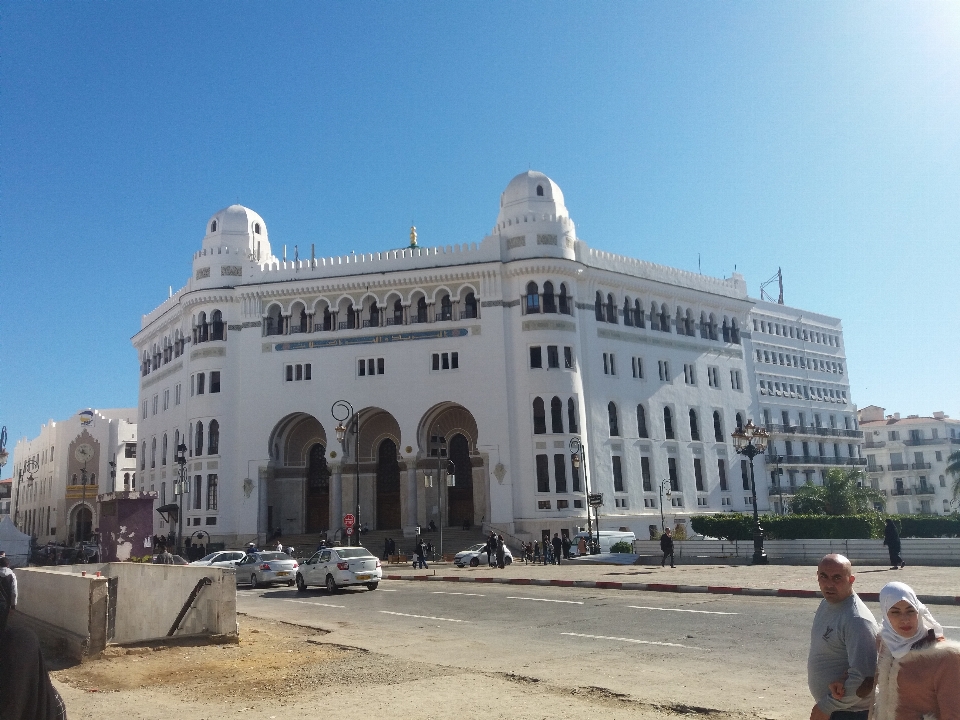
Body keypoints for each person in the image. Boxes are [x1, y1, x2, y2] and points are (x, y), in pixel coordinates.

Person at [830, 580, 960, 718]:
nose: (905, 619)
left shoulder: (945, 657)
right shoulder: (886, 642)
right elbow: (877, 676)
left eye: (910, 611)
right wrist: (843, 680)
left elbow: (953, 713)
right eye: (895, 612)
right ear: (886, 614)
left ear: (918, 611)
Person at [807, 554, 879, 720]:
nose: (829, 584)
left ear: (851, 579)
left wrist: (826, 707)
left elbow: (865, 679)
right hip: (837, 710)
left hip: (851, 712)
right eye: (824, 577)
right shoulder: (827, 603)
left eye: (837, 577)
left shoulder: (857, 620)